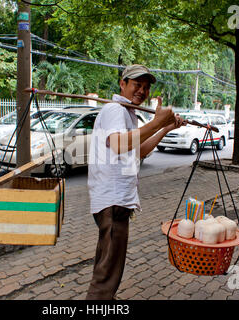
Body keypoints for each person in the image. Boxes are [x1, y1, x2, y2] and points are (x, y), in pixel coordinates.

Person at [86, 64, 185, 300]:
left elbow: (138, 151)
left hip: (117, 202)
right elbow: (118, 144)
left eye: (146, 87)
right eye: (136, 85)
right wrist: (156, 123)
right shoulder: (114, 109)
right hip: (113, 201)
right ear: (123, 84)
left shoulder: (127, 113)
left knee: (107, 266)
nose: (142, 90)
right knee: (107, 276)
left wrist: (165, 128)